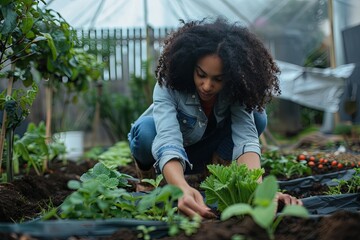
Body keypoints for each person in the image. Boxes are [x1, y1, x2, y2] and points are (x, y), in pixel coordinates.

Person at [128, 17, 302, 219]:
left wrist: (262, 193)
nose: (207, 85)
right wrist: (181, 189)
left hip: (207, 150)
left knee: (257, 118)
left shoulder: (235, 91)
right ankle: (149, 180)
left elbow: (246, 139)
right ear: (191, 65)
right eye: (201, 74)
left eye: (218, 79)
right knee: (146, 131)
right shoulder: (169, 85)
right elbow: (167, 139)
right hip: (171, 152)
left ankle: (215, 172)